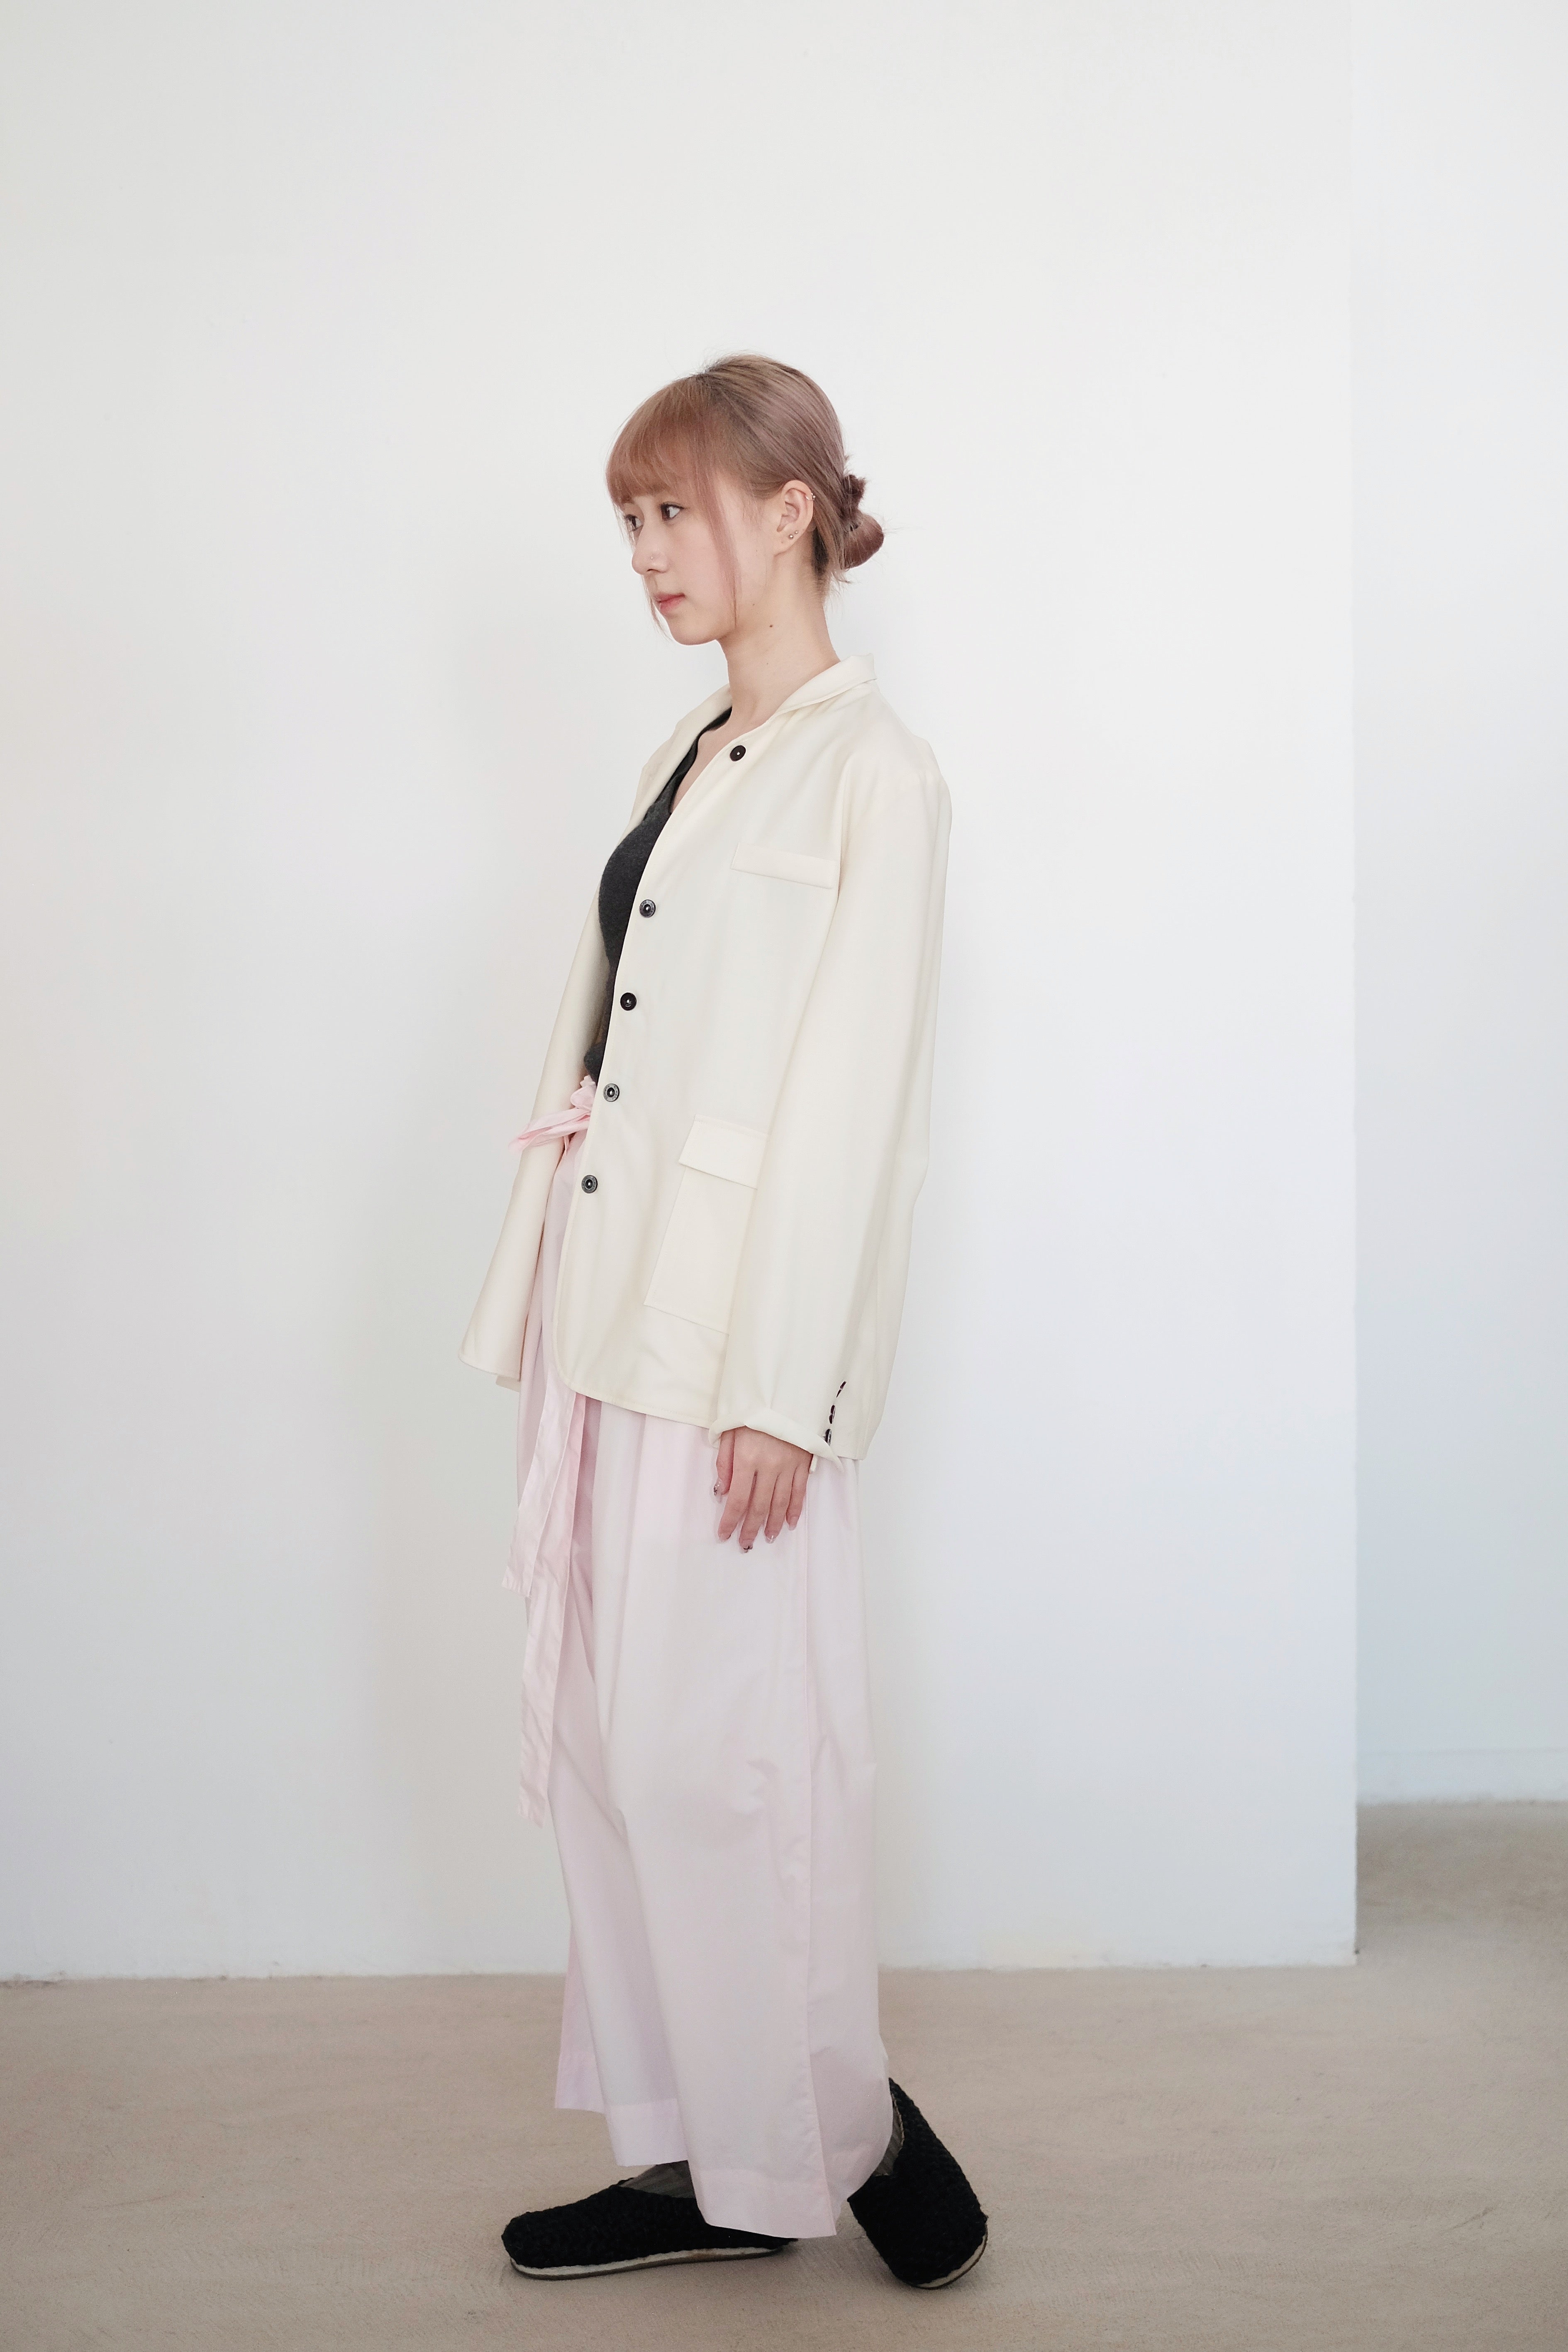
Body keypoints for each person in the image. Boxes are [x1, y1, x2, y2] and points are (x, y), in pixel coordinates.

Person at [461, 355, 985, 2291]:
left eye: (674, 510)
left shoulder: (877, 775)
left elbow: (856, 1112)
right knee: (616, 1760)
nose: (646, 553)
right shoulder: (688, 751)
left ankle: (842, 2131)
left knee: (732, 1768)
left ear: (792, 510)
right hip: (607, 1323)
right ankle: (695, 2155)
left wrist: (790, 1391)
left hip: (728, 1357)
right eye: (629, 521)